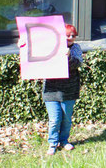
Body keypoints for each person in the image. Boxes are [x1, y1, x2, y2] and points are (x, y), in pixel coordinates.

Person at [42, 24, 83, 155]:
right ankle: (53, 143)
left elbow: (77, 64)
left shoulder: (76, 48)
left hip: (69, 90)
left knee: (66, 119)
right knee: (54, 119)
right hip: (51, 90)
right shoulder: (49, 46)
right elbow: (35, 53)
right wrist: (23, 45)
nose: (71, 37)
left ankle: (64, 141)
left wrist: (69, 56)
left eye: (73, 35)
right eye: (67, 35)